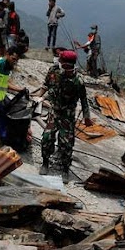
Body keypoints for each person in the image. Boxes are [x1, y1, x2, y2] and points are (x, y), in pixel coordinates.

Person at [36, 50, 92, 182]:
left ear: (67, 65)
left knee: (66, 143)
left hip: (68, 115)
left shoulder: (78, 81)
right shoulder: (53, 71)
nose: (58, 63)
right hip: (54, 111)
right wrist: (38, 97)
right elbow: (45, 85)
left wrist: (86, 116)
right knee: (47, 137)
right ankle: (45, 163)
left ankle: (65, 169)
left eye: (61, 61)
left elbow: (84, 100)